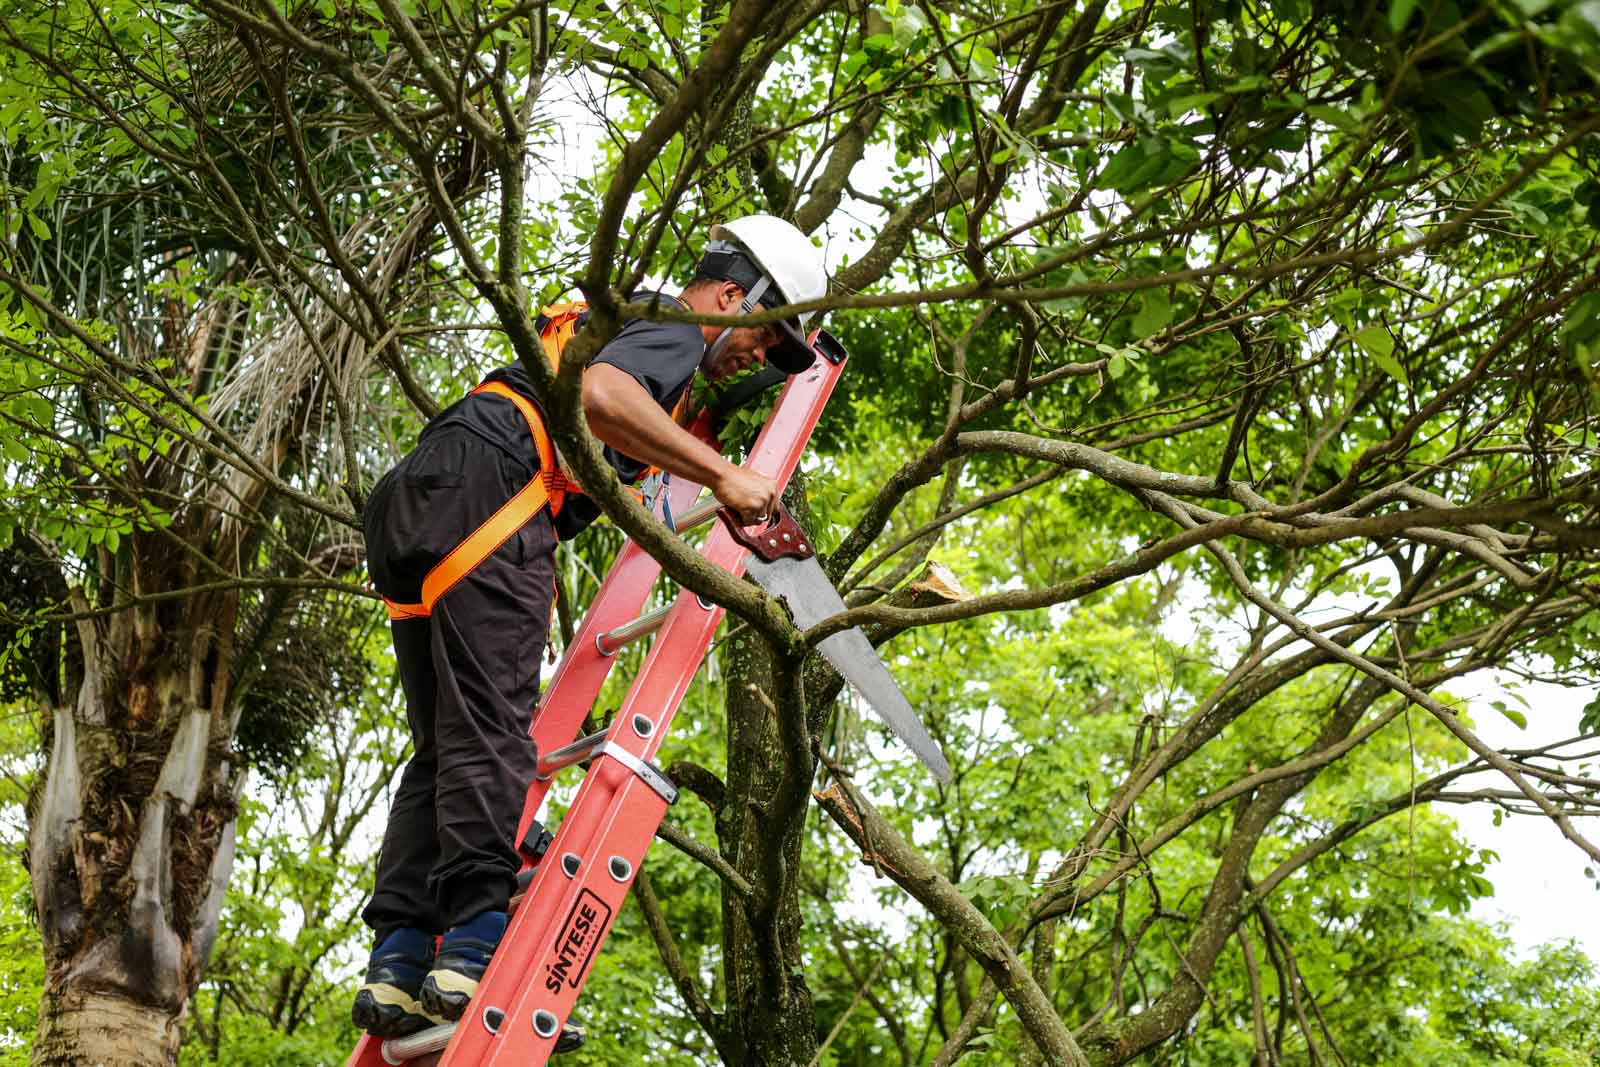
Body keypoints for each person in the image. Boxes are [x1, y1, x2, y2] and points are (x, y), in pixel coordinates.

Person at [350, 215, 828, 1041]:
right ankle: (471, 944)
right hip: (494, 489)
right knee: (495, 726)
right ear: (728, 293)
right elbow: (604, 398)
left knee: (445, 741)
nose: (760, 354)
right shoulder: (671, 323)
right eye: (765, 331)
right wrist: (725, 475)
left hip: (420, 495)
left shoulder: (615, 317)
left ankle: (397, 959)